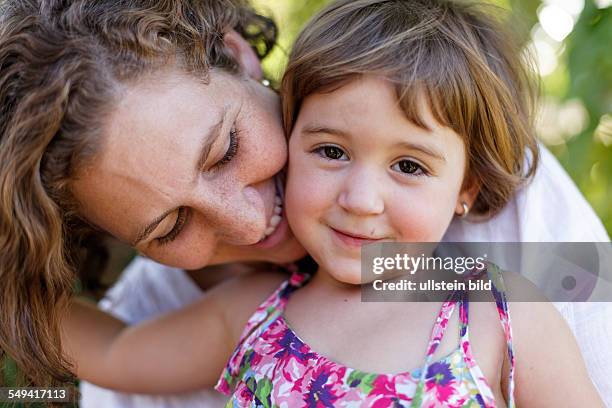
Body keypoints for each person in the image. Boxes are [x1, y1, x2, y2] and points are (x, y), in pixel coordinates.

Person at [62, 0, 605, 406]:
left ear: (467, 189)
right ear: (292, 134)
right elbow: (113, 353)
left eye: (409, 166)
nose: (362, 199)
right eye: (331, 151)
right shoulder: (254, 314)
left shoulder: (500, 306)